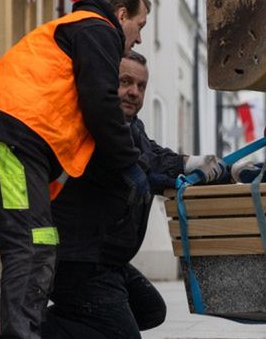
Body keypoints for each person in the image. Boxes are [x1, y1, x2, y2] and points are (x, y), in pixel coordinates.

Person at [0, 0, 150, 339]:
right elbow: (100, 103)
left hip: (13, 136)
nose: (138, 39)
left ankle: (26, 331)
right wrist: (128, 163)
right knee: (31, 245)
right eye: (139, 26)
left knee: (40, 241)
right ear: (122, 13)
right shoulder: (97, 29)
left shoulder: (80, 29)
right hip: (10, 135)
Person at [43, 51, 226, 338]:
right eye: (125, 82)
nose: (134, 92)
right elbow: (141, 164)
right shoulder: (92, 123)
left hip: (107, 260)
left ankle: (57, 323)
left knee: (150, 310)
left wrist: (229, 171)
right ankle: (32, 329)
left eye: (141, 86)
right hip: (77, 260)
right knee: (122, 334)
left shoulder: (131, 127)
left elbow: (153, 155)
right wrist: (184, 165)